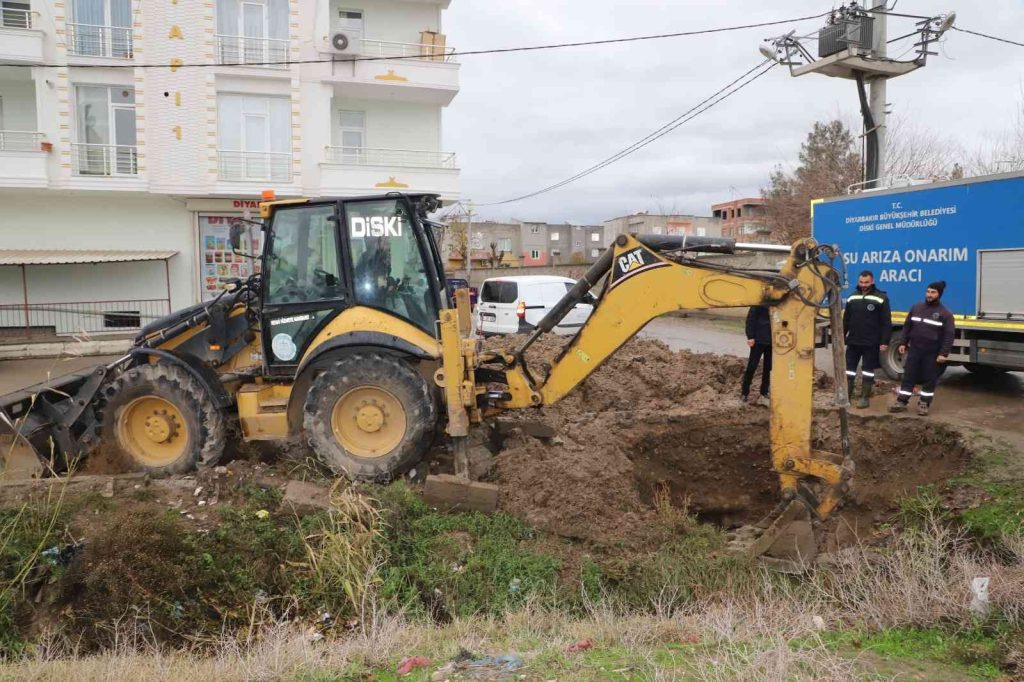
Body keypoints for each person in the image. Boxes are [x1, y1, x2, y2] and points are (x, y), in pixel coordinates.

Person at [889, 281, 956, 416]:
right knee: (909, 376)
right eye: (928, 291)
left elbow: (949, 335)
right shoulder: (916, 307)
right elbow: (907, 326)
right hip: (915, 349)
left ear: (939, 294)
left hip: (932, 352)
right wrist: (903, 343)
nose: (929, 295)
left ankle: (924, 403)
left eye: (933, 292)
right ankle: (902, 401)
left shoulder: (945, 313)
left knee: (929, 379)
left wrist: (944, 353)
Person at [843, 270, 892, 408]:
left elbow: (886, 322)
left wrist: (884, 341)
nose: (864, 285)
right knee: (849, 369)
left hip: (871, 342)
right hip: (853, 341)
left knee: (867, 370)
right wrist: (841, 337)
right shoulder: (852, 297)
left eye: (866, 282)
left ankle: (865, 397)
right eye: (861, 282)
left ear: (872, 281)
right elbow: (846, 320)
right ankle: (847, 395)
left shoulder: (881, 297)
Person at [741, 305, 772, 406]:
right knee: (752, 366)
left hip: (771, 342)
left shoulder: (778, 304)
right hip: (758, 341)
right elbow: (750, 320)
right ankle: (745, 392)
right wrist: (750, 336)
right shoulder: (757, 304)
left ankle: (764, 391)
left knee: (768, 368)